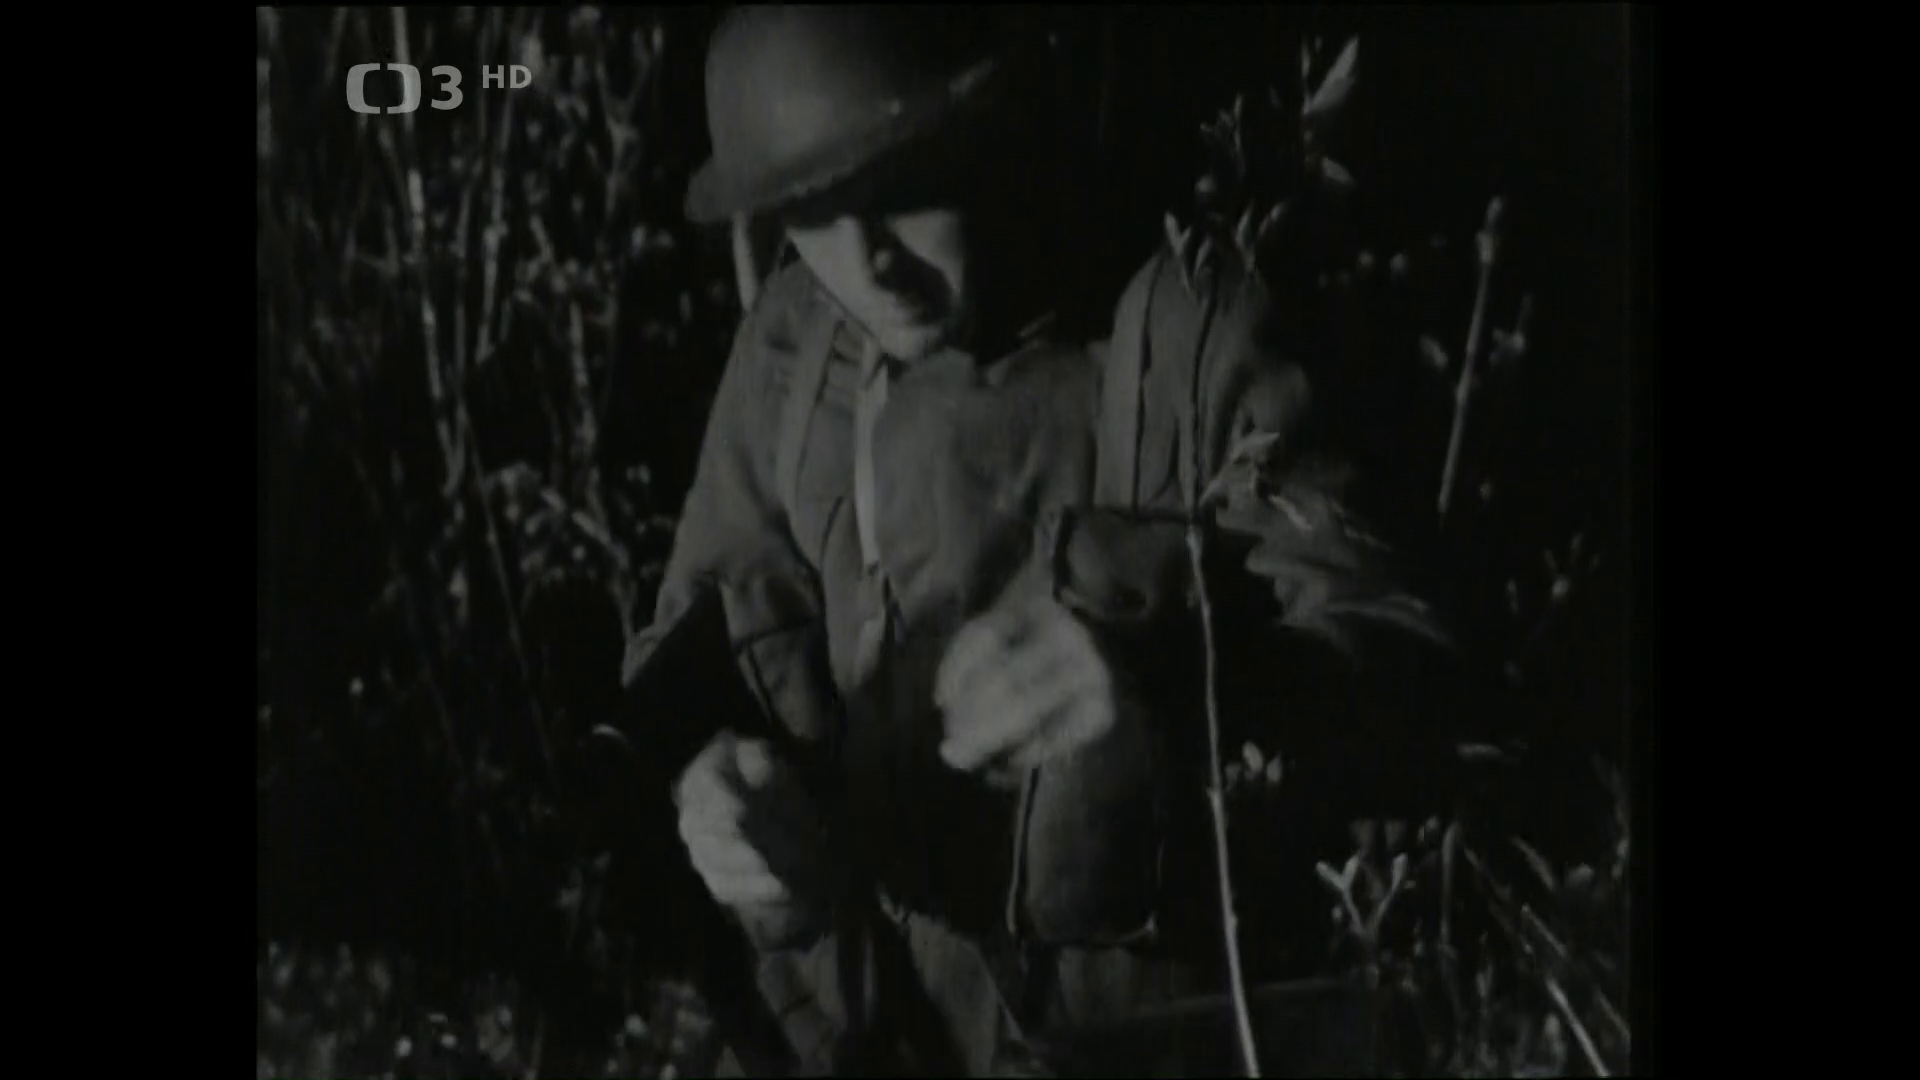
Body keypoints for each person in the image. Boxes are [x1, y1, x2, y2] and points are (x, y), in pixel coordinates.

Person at [620, 6, 1454, 1076]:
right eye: (811, 211)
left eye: (900, 185)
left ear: (990, 121)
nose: (866, 261)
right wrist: (719, 797)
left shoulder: (1188, 327)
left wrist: (1173, 688)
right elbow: (696, 653)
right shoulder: (793, 354)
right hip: (863, 1042)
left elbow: (1399, 669)